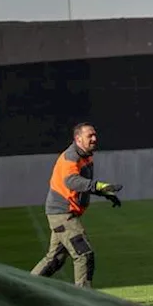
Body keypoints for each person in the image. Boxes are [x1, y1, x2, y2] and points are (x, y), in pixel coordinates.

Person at [31, 122, 123, 289]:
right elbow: (72, 181)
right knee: (84, 254)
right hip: (62, 214)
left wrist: (105, 193)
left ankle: (22, 289)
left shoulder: (86, 155)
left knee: (55, 260)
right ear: (78, 138)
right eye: (90, 136)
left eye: (95, 135)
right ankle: (84, 299)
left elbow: (83, 184)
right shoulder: (71, 157)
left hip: (64, 213)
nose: (94, 139)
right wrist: (99, 186)